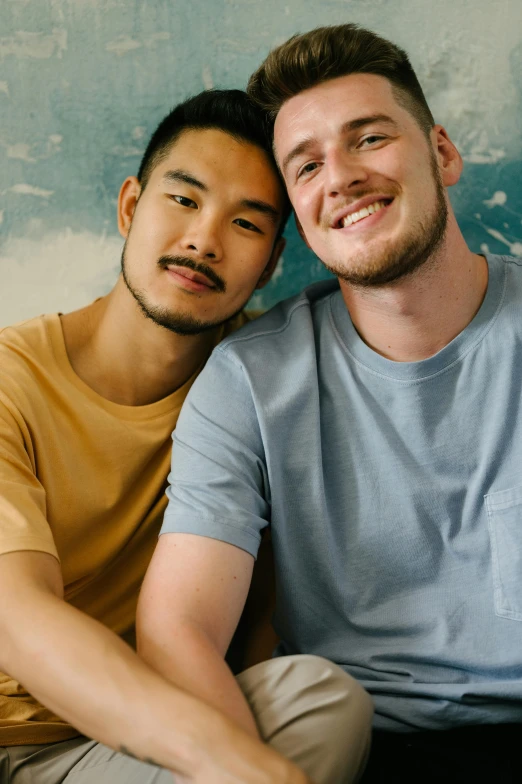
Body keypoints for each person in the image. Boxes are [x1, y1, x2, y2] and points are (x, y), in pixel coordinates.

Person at [137, 23, 522, 784]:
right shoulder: (249, 381)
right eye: (306, 165)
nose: (339, 177)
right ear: (296, 215)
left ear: (441, 154)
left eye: (369, 139)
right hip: (356, 750)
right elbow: (178, 628)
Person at [0, 88, 344, 784]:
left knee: (321, 700)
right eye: (184, 201)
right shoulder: (13, 380)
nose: (203, 240)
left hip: (140, 746)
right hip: (17, 744)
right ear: (131, 206)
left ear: (272, 261)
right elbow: (17, 616)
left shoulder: (259, 377)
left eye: (246, 224)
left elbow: (262, 613)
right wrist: (239, 765)